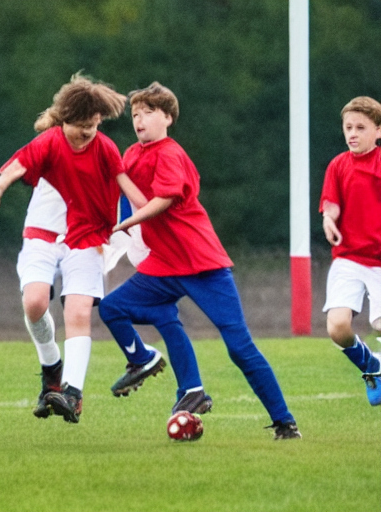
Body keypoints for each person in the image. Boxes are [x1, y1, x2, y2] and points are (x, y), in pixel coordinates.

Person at [98, 82, 301, 440]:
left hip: (201, 265)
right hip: (162, 266)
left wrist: (131, 220)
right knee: (113, 308)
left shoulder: (171, 154)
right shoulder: (131, 154)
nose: (139, 119)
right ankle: (150, 365)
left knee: (239, 347)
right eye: (135, 114)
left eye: (147, 112)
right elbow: (123, 187)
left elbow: (163, 199)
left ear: (168, 117)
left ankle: (284, 422)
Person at [0, 73, 145, 424]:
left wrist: (155, 214)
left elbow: (133, 193)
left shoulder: (104, 148)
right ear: (64, 122)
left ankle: (72, 394)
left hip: (87, 238)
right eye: (80, 129)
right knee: (34, 303)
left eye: (92, 128)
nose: (85, 136)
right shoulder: (48, 142)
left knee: (78, 313)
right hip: (43, 234)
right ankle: (52, 371)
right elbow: (12, 171)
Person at [319, 96, 381, 407]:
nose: (353, 133)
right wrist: (329, 219)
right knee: (338, 326)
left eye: (361, 127)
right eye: (348, 128)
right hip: (348, 258)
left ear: (378, 131)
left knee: (379, 323)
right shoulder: (338, 165)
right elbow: (331, 203)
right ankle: (372, 366)